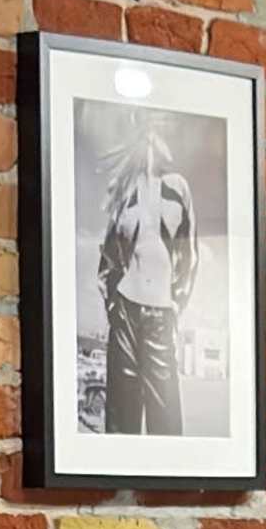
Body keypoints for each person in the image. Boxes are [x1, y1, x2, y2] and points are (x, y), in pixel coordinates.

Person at [96, 129, 197, 433]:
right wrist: (112, 304)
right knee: (121, 417)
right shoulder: (124, 192)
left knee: (166, 421)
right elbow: (109, 254)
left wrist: (176, 303)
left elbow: (190, 251)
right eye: (145, 132)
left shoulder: (178, 187)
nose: (151, 139)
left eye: (156, 132)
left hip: (161, 312)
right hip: (125, 308)